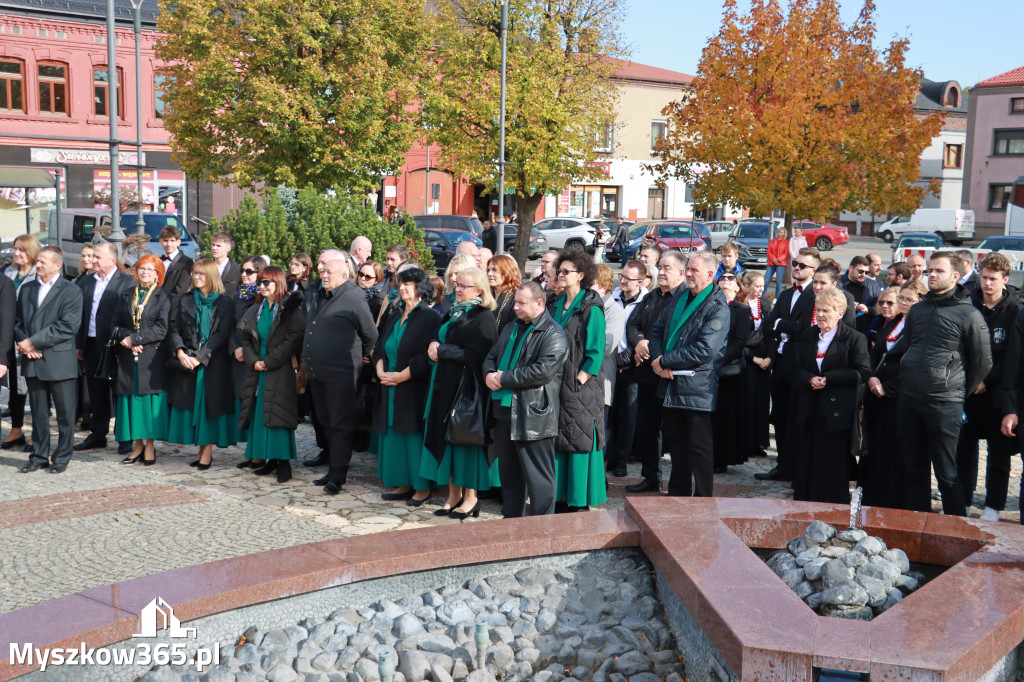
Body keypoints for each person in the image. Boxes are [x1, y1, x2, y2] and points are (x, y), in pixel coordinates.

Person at [897, 251, 992, 516]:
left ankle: (956, 530)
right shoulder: (917, 309)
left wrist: (959, 390)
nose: (932, 275)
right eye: (930, 271)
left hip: (944, 403)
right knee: (913, 469)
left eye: (939, 271)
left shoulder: (969, 314)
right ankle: (917, 525)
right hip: (909, 398)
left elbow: (983, 362)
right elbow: (909, 345)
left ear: (956, 276)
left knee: (947, 473)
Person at [648, 251, 731, 497]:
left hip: (696, 387)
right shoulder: (681, 296)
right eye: (688, 269)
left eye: (694, 270)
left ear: (710, 274)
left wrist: (664, 360)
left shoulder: (717, 307)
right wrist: (657, 359)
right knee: (676, 445)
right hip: (670, 381)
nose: (689, 274)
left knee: (699, 448)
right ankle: (678, 493)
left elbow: (705, 350)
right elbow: (657, 330)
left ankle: (704, 497)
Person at [483, 282, 569, 517]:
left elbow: (542, 372)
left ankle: (542, 526)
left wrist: (503, 378)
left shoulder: (553, 333)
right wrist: (488, 373)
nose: (516, 307)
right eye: (515, 302)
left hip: (533, 414)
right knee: (509, 475)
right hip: (504, 410)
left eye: (521, 303)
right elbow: (492, 354)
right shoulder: (512, 326)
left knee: (539, 477)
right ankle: (512, 521)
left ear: (539, 303)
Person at [422, 267, 499, 519]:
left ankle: (471, 498)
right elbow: (439, 335)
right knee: (448, 440)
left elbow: (477, 355)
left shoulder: (483, 316)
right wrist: (433, 343)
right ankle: (453, 496)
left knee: (466, 442)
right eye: (457, 284)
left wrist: (442, 350)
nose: (458, 288)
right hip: (445, 386)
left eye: (464, 286)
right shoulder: (454, 313)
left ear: (479, 290)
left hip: (467, 391)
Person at [304, 254, 378, 494]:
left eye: (330, 273)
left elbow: (371, 335)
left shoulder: (353, 298)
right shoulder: (320, 295)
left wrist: (362, 358)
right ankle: (332, 468)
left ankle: (338, 475)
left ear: (344, 276)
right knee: (325, 421)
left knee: (340, 425)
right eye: (322, 272)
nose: (324, 276)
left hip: (342, 375)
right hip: (318, 372)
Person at [790, 287, 870, 503]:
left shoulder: (854, 338)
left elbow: (862, 372)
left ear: (840, 313)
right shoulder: (808, 336)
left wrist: (830, 379)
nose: (821, 315)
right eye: (818, 310)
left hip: (837, 412)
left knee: (832, 463)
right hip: (809, 407)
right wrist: (808, 378)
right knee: (807, 459)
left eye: (827, 310)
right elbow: (794, 368)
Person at [956, 254, 1019, 520]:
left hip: (998, 392)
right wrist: (973, 380)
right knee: (964, 449)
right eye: (983, 277)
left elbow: (1013, 358)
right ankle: (964, 502)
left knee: (998, 453)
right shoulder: (969, 304)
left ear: (1005, 279)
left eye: (993, 278)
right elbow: (960, 347)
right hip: (969, 389)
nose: (987, 283)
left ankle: (994, 506)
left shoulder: (1015, 311)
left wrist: (987, 380)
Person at [375, 268, 441, 505]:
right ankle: (403, 482)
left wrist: (403, 376)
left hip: (413, 387)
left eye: (409, 284)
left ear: (421, 288)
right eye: (400, 284)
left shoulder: (430, 317)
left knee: (412, 438)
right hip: (389, 383)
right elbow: (381, 345)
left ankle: (422, 488)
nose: (402, 288)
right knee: (394, 435)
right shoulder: (395, 314)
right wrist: (379, 369)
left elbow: (428, 355)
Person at [14, 246, 83, 474]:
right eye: (38, 261)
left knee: (65, 415)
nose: (38, 265)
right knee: (37, 414)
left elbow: (68, 326)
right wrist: (25, 343)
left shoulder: (71, 291)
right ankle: (39, 456)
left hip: (59, 363)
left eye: (43, 262)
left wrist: (34, 342)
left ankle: (62, 457)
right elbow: (17, 322)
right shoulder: (27, 289)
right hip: (33, 361)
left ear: (58, 265)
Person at [624, 252, 688, 493]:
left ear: (681, 273)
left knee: (673, 432)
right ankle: (651, 477)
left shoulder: (685, 299)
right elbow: (633, 324)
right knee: (646, 429)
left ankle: (677, 484)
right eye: (660, 267)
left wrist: (657, 351)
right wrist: (639, 342)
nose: (660, 272)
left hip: (671, 375)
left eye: (667, 268)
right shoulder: (651, 297)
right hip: (646, 375)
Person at [548, 250, 607, 510]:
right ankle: (560, 495)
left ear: (581, 276)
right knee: (560, 438)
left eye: (566, 272)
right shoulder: (555, 304)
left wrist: (579, 379)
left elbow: (596, 351)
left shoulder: (591, 308)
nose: (560, 275)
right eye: (559, 271)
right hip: (554, 383)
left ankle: (578, 499)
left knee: (580, 437)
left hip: (579, 386)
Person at [756, 246, 821, 482]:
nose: (796, 268)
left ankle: (798, 469)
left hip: (801, 365)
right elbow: (767, 326)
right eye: (795, 263)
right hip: (781, 361)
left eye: (802, 265)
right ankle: (782, 466)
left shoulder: (815, 295)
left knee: (798, 418)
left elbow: (804, 330)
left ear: (814, 270)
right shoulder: (784, 294)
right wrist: (784, 325)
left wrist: (781, 324)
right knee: (780, 417)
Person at [166, 259, 238, 469]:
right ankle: (200, 449)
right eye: (194, 273)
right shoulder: (186, 299)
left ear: (211, 276)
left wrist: (201, 356)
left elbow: (222, 334)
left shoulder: (225, 303)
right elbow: (175, 329)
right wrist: (180, 352)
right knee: (192, 407)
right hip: (189, 362)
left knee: (208, 407)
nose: (196, 277)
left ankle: (206, 451)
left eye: (201, 274)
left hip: (214, 363)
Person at [237, 266, 305, 483]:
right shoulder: (256, 308)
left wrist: (269, 361)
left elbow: (295, 337)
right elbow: (245, 338)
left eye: (267, 282)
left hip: (280, 368)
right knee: (260, 413)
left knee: (279, 412)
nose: (262, 286)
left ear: (279, 283)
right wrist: (254, 361)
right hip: (258, 369)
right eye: (260, 283)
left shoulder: (290, 307)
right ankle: (269, 460)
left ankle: (283, 463)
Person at [862, 283, 924, 508]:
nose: (904, 303)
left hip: (899, 396)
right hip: (877, 392)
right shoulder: (896, 322)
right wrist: (871, 378)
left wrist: (888, 387)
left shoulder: (921, 328)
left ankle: (892, 499)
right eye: (903, 299)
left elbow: (916, 365)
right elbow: (876, 351)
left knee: (895, 449)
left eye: (910, 300)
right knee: (877, 447)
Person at [110, 254, 171, 465]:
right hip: (128, 357)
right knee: (132, 403)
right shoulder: (127, 294)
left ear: (158, 274)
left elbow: (162, 329)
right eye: (142, 269)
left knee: (149, 404)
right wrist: (126, 338)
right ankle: (136, 446)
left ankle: (150, 446)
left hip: (151, 358)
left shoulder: (163, 297)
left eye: (150, 269)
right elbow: (114, 324)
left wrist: (136, 338)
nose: (145, 272)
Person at [75, 242, 135, 454]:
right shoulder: (86, 282)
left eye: (98, 257)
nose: (93, 261)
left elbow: (130, 317)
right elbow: (81, 314)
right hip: (91, 344)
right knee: (96, 391)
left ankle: (124, 437)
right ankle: (98, 434)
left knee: (118, 392)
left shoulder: (126, 282)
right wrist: (79, 343)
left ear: (112, 260)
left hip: (116, 346)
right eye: (92, 257)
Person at [604, 260, 649, 478]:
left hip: (634, 365)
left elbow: (646, 333)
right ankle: (608, 457)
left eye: (627, 278)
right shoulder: (612, 298)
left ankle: (622, 459)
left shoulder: (646, 301)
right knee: (608, 413)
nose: (622, 280)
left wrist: (629, 356)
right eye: (621, 276)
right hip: (611, 362)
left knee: (628, 416)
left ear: (640, 282)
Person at [712, 268, 753, 473]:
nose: (726, 280)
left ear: (738, 287)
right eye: (722, 278)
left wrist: (717, 360)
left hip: (729, 370)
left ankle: (722, 458)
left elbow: (738, 343)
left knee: (726, 414)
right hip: (707, 367)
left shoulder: (742, 310)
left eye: (731, 278)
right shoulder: (709, 306)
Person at [230, 256, 269, 468]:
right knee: (246, 405)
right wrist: (235, 348)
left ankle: (259, 453)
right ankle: (250, 451)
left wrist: (248, 351)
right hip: (239, 358)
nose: (244, 275)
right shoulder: (236, 297)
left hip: (257, 358)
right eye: (243, 271)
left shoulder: (264, 297)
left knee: (258, 406)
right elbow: (230, 326)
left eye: (250, 271)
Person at [2, 234, 40, 451]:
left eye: (22, 250)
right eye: (16, 249)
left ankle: (37, 431)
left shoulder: (38, 274)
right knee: (14, 388)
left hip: (28, 337)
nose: (17, 253)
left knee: (33, 388)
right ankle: (16, 429)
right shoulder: (8, 272)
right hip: (8, 338)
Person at [742, 271, 774, 459]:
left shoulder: (766, 305)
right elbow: (737, 339)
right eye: (757, 286)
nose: (760, 290)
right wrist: (752, 358)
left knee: (762, 402)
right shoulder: (739, 306)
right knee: (747, 401)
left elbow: (770, 333)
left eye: (762, 286)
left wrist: (769, 358)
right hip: (747, 359)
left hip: (763, 359)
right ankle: (746, 441)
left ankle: (759, 442)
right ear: (746, 286)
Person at [840, 255, 882, 333]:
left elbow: (879, 308)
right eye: (860, 271)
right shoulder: (837, 283)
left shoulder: (874, 285)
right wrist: (847, 305)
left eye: (867, 272)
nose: (864, 275)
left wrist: (867, 309)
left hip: (863, 331)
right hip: (840, 329)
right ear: (850, 268)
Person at [158, 226, 194, 311]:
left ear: (178, 242)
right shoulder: (157, 261)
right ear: (160, 242)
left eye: (172, 241)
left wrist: (162, 305)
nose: (169, 244)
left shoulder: (187, 262)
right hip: (155, 309)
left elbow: (181, 290)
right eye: (166, 241)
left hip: (173, 310)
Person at [487, 254, 521, 332]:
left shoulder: (517, 296)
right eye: (488, 270)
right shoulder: (487, 295)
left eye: (494, 270)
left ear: (507, 272)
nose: (489, 274)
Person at [765, 227, 788, 299]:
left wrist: (778, 260)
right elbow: (769, 251)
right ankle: (761, 296)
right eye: (779, 232)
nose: (780, 233)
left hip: (781, 264)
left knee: (778, 281)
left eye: (782, 232)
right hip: (771, 263)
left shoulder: (786, 242)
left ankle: (776, 298)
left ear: (784, 234)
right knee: (766, 280)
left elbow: (786, 253)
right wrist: (774, 259)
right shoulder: (772, 241)